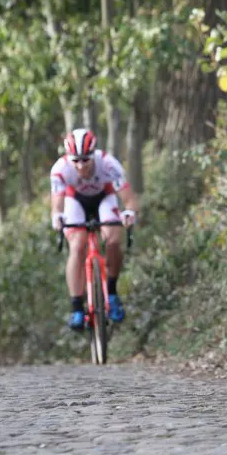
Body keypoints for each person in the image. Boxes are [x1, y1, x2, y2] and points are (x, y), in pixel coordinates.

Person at [49, 128, 139, 330]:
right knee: (78, 245)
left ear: (94, 154)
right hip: (75, 200)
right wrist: (57, 217)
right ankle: (76, 307)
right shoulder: (60, 169)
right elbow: (57, 204)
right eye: (76, 161)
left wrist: (129, 213)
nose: (81, 166)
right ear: (68, 158)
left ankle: (112, 292)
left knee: (113, 240)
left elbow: (129, 198)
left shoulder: (108, 163)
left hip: (104, 197)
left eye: (86, 160)